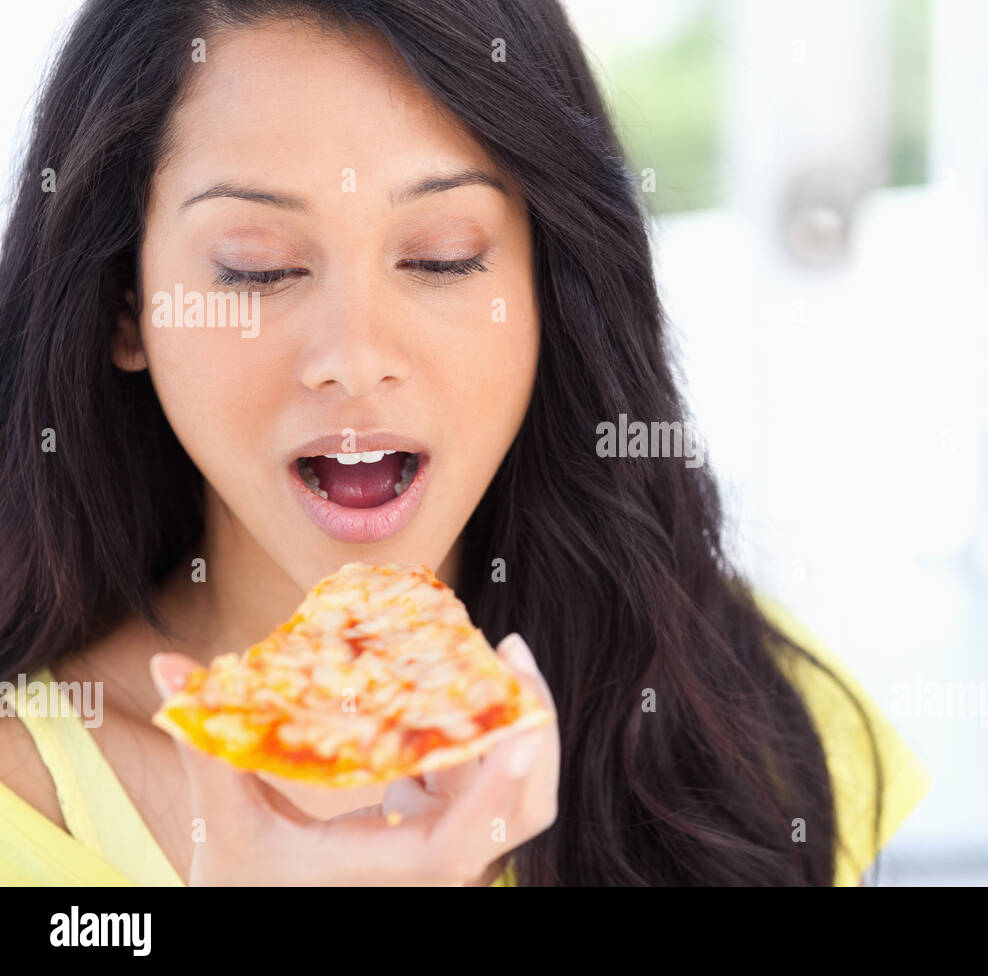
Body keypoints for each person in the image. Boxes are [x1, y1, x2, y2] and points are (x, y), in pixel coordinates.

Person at [0, 0, 929, 886]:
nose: (355, 359)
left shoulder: (738, 719)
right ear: (128, 304)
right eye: (257, 267)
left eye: (443, 256)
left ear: (548, 286)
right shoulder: (22, 806)